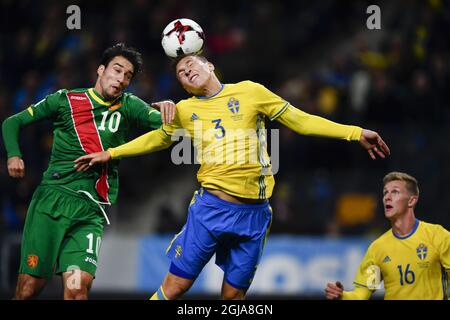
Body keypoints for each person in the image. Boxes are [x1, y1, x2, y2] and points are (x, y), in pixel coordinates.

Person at [74, 54, 390, 300]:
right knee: (175, 286)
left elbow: (301, 120)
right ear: (184, 88)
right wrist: (111, 153)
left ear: (209, 65)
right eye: (181, 75)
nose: (186, 72)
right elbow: (157, 138)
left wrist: (354, 132)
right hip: (211, 210)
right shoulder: (185, 110)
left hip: (255, 214)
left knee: (234, 296)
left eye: (190, 65)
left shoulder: (251, 92)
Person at [1, 43, 176, 300]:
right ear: (101, 69)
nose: (122, 79)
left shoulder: (128, 105)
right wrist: (14, 155)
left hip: (89, 214)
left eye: (128, 76)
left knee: (77, 290)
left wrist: (172, 107)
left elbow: (169, 124)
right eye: (117, 70)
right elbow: (12, 122)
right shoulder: (65, 100)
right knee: (28, 289)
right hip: (52, 204)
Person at [325, 172, 450, 300]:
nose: (387, 197)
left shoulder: (437, 236)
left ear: (412, 200)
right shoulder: (377, 249)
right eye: (385, 193)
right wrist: (342, 295)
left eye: (395, 192)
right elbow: (361, 294)